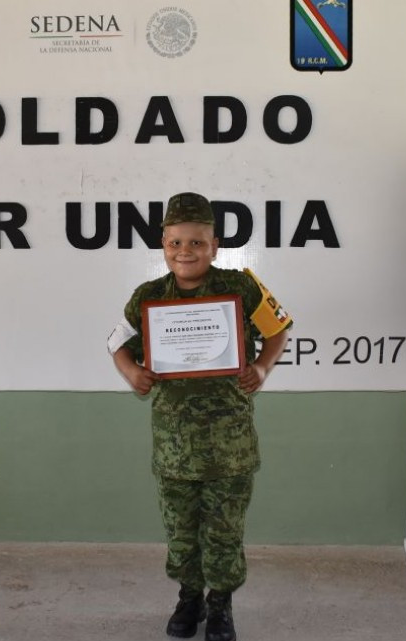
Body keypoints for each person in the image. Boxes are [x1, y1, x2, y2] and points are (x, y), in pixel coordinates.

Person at [107, 192, 292, 641]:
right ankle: (190, 597)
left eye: (196, 242)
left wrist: (263, 366)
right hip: (174, 446)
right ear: (163, 244)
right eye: (176, 243)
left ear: (215, 245)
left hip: (230, 446)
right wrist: (133, 372)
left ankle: (221, 605)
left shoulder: (241, 288)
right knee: (181, 531)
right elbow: (117, 341)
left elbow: (279, 328)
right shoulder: (148, 297)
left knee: (225, 531)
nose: (185, 252)